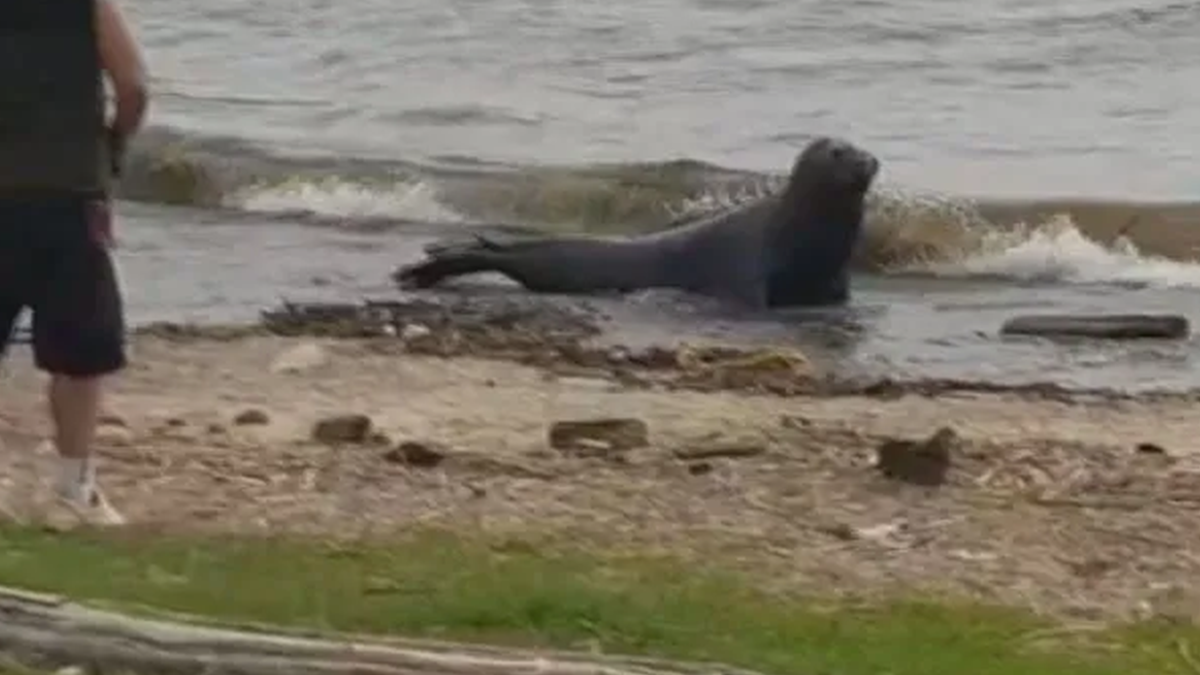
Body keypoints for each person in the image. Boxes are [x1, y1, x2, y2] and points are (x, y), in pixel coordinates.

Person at [0, 0, 149, 527]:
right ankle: (73, 486)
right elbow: (132, 86)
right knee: (81, 351)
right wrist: (112, 146)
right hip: (69, 192)